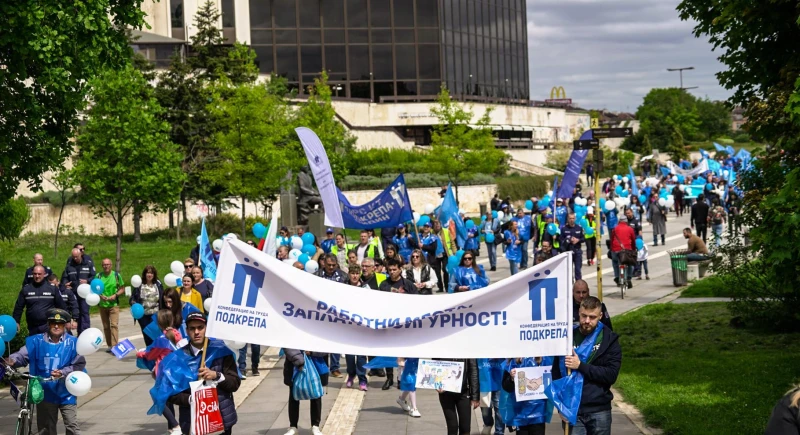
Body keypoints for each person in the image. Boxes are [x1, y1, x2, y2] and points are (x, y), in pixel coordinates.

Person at [5, 309, 86, 435]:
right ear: (48, 324)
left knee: (72, 426)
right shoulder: (36, 341)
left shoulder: (74, 343)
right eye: (53, 323)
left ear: (64, 325)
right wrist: (12, 360)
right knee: (46, 429)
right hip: (44, 392)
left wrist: (63, 372)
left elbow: (79, 364)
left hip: (66, 391)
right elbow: (22, 355)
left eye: (59, 323)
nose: (56, 326)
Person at [553, 296, 622, 435]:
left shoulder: (609, 340)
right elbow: (556, 373)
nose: (587, 321)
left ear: (600, 316)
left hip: (599, 410)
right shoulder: (567, 338)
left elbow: (610, 375)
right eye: (584, 316)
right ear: (579, 311)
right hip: (572, 410)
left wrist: (580, 366)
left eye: (592, 317)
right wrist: (561, 407)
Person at [165, 313, 240, 435]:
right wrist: (191, 399)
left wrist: (217, 376)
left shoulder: (221, 352)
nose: (196, 332)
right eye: (192, 328)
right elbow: (170, 393)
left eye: (200, 327)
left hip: (221, 419)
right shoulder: (178, 358)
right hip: (192, 422)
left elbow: (234, 384)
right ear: (187, 330)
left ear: (207, 328)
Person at [136, 309, 183, 435]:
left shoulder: (161, 339)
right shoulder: (177, 334)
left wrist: (139, 353)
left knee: (158, 397)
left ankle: (175, 425)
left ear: (159, 323)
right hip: (175, 371)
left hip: (163, 373)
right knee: (167, 398)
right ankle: (171, 427)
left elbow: (151, 355)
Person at [378, 259, 418, 390]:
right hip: (389, 322)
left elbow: (417, 301)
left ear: (400, 269)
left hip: (405, 323)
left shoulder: (408, 284)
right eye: (390, 270)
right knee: (389, 351)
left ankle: (401, 378)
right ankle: (389, 378)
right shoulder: (384, 285)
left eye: (394, 269)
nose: (392, 272)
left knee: (403, 352)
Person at [501, 356, 552, 435]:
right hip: (520, 412)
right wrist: (511, 378)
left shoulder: (543, 359)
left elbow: (550, 382)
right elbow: (506, 387)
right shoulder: (513, 361)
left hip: (538, 413)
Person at [283, 348, 328, 435]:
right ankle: (293, 426)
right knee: (293, 396)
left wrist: (312, 352)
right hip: (294, 364)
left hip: (316, 363)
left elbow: (326, 347)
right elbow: (288, 347)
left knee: (316, 395)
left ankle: (315, 425)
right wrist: (299, 360)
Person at [13, 265, 67, 335]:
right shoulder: (26, 289)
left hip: (48, 326)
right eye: (35, 274)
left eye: (39, 274)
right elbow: (18, 307)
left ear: (44, 274)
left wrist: (67, 321)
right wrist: (16, 321)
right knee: (34, 345)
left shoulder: (52, 289)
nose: (37, 276)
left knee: (47, 345)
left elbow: (62, 306)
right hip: (32, 327)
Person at [437, 358, 480, 435]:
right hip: (446, 393)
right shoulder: (440, 347)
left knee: (465, 427)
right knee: (452, 426)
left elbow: (473, 370)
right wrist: (437, 385)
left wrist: (475, 396)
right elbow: (435, 366)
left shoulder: (467, 348)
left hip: (463, 392)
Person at [61, 247, 96, 333]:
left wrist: (87, 281)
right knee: (74, 314)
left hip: (84, 295)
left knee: (84, 314)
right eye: (74, 257)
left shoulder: (88, 264)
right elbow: (64, 278)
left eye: (77, 256)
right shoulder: (69, 266)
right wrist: (66, 284)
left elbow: (94, 277)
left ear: (81, 254)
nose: (75, 258)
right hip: (73, 294)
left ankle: (84, 333)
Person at [130, 265, 164, 346]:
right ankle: (149, 352)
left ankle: (157, 352)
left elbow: (162, 296)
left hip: (155, 314)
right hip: (143, 315)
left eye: (151, 273)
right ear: (145, 274)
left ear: (154, 274)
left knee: (156, 334)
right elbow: (132, 298)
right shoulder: (139, 285)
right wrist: (133, 303)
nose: (149, 275)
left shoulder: (158, 284)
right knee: (147, 335)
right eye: (148, 273)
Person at [97, 258, 125, 352]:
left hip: (114, 304)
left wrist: (115, 295)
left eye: (108, 264)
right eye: (104, 264)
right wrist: (100, 296)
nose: (106, 266)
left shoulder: (116, 275)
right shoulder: (98, 276)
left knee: (114, 325)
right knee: (106, 326)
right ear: (102, 266)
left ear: (111, 265)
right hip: (102, 305)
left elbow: (122, 288)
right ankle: (109, 345)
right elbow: (94, 289)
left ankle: (115, 346)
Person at [611, 218, 636, 289]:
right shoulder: (630, 229)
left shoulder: (615, 228)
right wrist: (633, 249)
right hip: (626, 250)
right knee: (630, 262)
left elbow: (612, 240)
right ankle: (628, 278)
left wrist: (612, 249)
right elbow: (633, 240)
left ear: (619, 221)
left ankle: (617, 276)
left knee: (615, 262)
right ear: (626, 222)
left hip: (616, 250)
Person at [560, 213, 586, 280]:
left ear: (575, 219)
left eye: (573, 218)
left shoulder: (579, 228)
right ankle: (570, 285)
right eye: (570, 218)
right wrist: (568, 239)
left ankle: (578, 284)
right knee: (568, 271)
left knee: (578, 270)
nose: (571, 220)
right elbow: (561, 240)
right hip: (568, 251)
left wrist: (578, 240)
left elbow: (583, 239)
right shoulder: (564, 228)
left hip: (577, 251)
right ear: (568, 219)